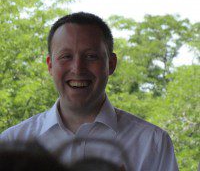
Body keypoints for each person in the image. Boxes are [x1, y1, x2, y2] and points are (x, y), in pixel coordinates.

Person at [0, 12, 179, 170]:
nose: (78, 68)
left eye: (91, 56)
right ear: (50, 65)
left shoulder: (152, 143)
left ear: (111, 64)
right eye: (66, 56)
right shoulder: (11, 142)